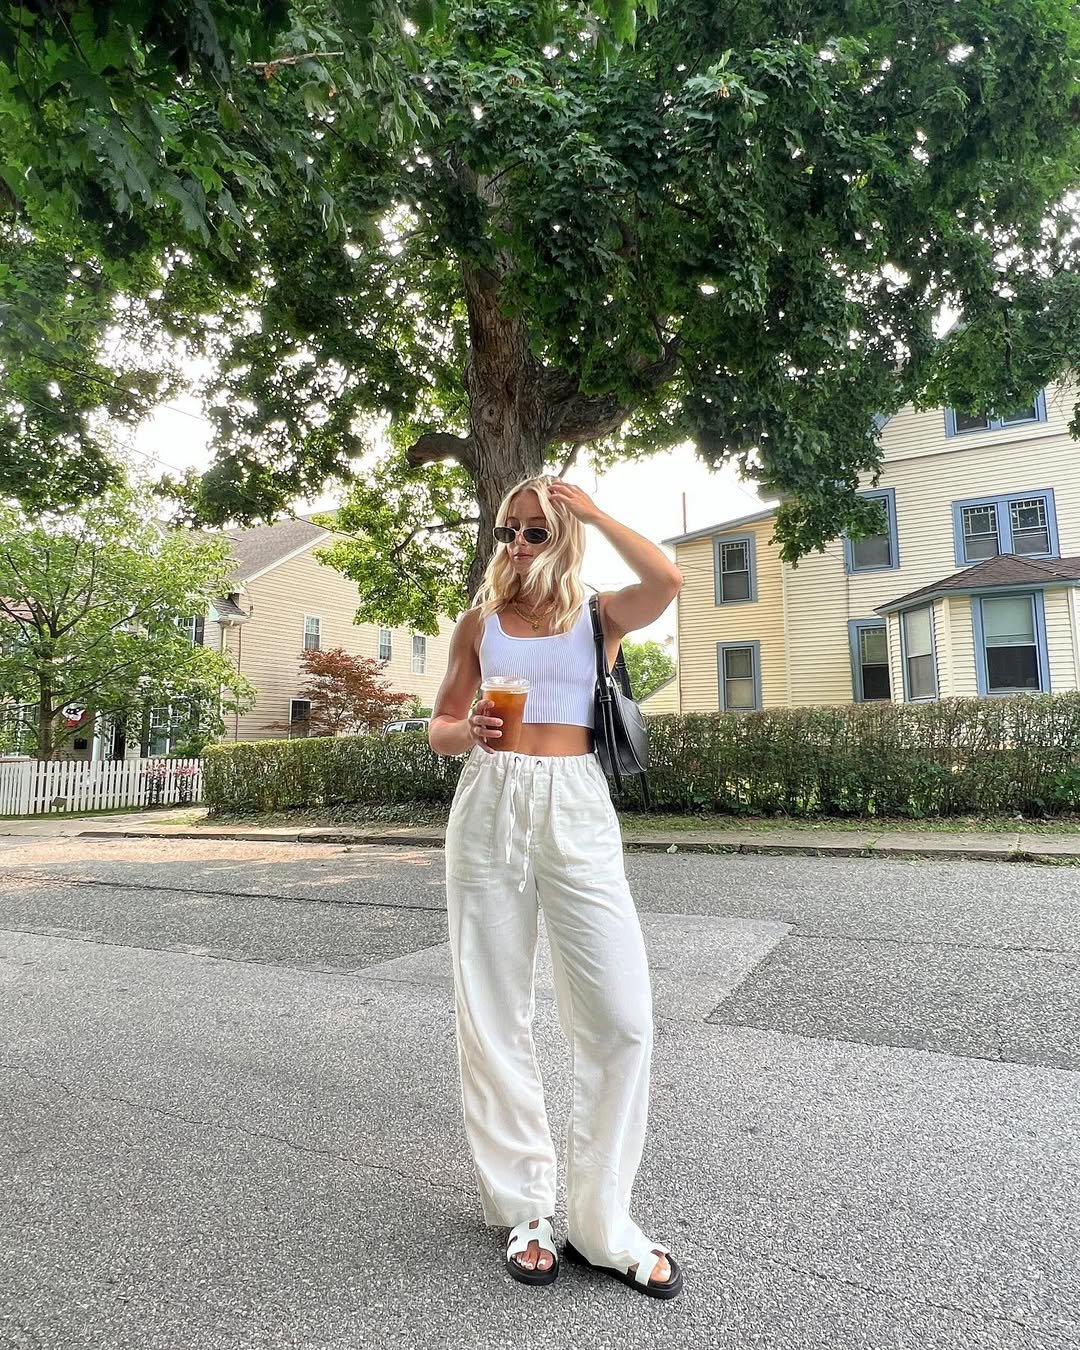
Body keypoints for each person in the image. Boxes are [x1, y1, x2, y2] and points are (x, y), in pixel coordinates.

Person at [428, 474, 684, 1298]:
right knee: (493, 1011)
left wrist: (598, 512)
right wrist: (466, 729)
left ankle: (603, 1221)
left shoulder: (597, 616)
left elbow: (668, 582)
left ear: (563, 534)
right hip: (490, 799)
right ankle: (528, 1205)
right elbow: (439, 727)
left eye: (537, 530)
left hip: (575, 802)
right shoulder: (478, 623)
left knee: (621, 1017)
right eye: (510, 529)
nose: (519, 543)